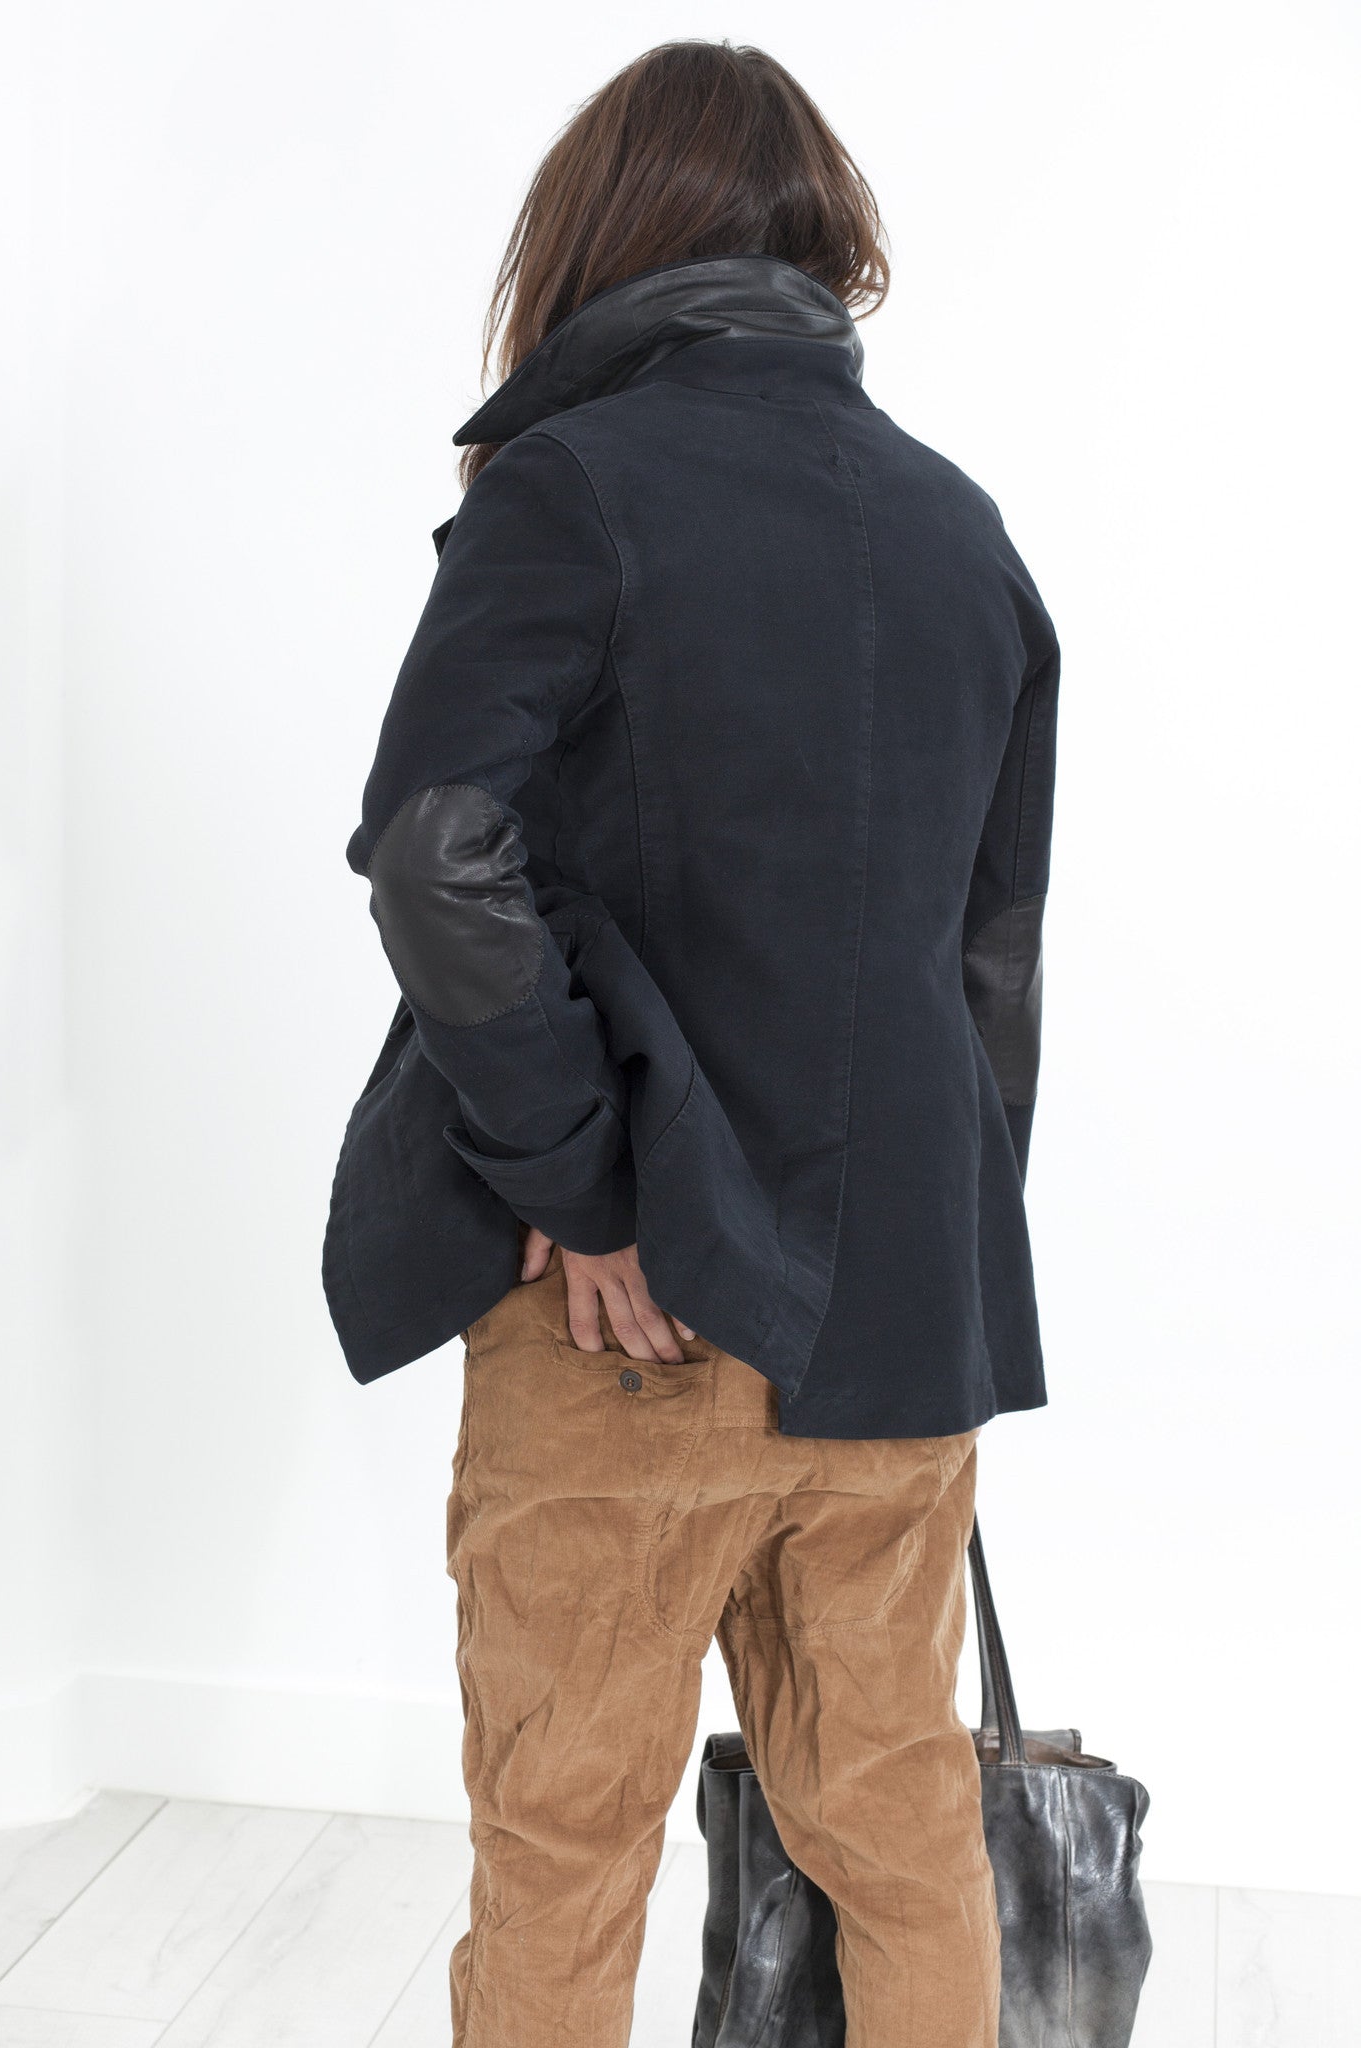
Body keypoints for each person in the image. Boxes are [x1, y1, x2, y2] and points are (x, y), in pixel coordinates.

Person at [324, 38, 1058, 2048]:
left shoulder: (573, 488)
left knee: (566, 1856)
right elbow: (993, 970)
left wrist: (581, 1187)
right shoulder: (962, 531)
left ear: (602, 233)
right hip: (897, 1336)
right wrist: (910, 1257)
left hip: (622, 1326)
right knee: (903, 1834)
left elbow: (433, 844)